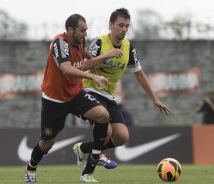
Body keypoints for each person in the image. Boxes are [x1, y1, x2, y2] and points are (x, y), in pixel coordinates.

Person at [72, 8, 171, 182]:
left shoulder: (129, 49)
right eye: (120, 25)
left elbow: (140, 75)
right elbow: (83, 66)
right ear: (111, 25)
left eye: (127, 26)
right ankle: (87, 173)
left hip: (109, 96)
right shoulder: (99, 43)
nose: (124, 29)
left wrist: (154, 98)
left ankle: (84, 149)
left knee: (122, 137)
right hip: (89, 91)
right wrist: (106, 56)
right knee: (107, 130)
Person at [24, 14, 122, 183]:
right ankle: (31, 168)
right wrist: (93, 76)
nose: (85, 34)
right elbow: (66, 68)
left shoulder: (80, 41)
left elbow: (85, 56)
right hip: (54, 100)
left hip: (75, 94)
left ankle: (96, 156)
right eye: (82, 30)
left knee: (103, 116)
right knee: (47, 143)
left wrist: (96, 62)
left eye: (86, 30)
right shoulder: (60, 43)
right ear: (70, 30)